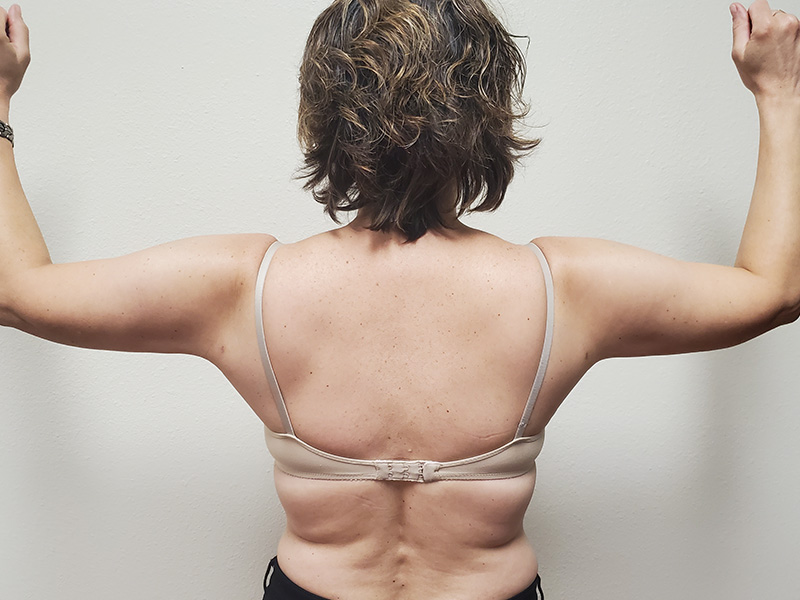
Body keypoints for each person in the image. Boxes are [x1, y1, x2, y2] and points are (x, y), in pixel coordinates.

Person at [1, 0, 799, 598]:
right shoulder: (564, 290)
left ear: (326, 118)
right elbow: (773, 290)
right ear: (486, 119)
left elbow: (16, 291)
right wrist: (778, 92)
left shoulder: (244, 290)